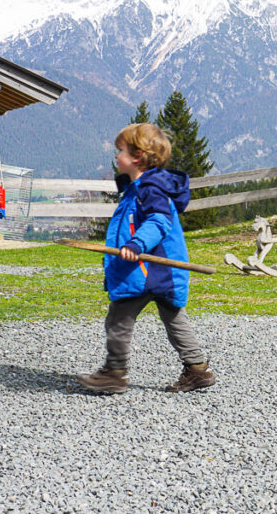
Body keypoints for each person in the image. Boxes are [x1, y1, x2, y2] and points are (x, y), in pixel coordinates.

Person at [78, 123, 216, 395]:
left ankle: (114, 374)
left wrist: (136, 243)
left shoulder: (149, 189)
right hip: (158, 274)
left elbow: (159, 221)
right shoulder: (139, 187)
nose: (116, 156)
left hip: (145, 271)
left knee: (119, 319)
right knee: (175, 320)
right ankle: (198, 370)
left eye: (120, 151)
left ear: (137, 156)